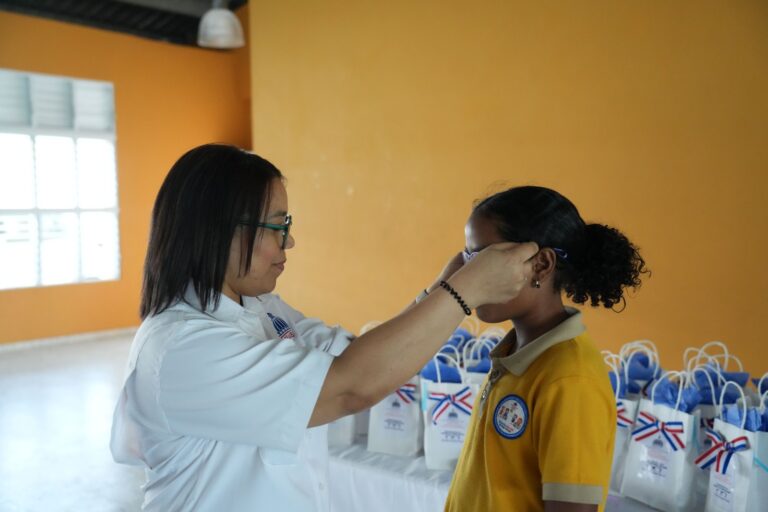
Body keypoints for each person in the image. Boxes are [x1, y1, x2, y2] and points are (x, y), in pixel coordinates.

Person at [109, 143, 537, 512]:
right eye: (277, 226)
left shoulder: (261, 309)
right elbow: (350, 387)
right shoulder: (181, 349)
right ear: (219, 232)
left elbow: (361, 358)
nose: (288, 242)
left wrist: (442, 288)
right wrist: (463, 292)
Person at [443, 186, 649, 512]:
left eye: (482, 258)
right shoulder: (515, 353)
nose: (466, 274)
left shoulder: (570, 378)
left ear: (541, 264)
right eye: (468, 258)